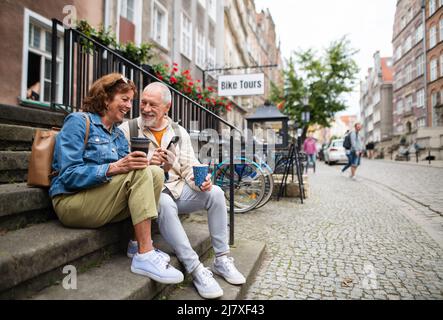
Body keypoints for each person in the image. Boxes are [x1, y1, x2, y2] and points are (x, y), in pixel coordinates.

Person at [49, 73, 184, 285]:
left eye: (131, 100)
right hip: (71, 201)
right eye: (125, 99)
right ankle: (145, 254)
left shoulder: (119, 135)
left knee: (155, 172)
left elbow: (130, 176)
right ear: (105, 99)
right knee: (142, 172)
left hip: (100, 199)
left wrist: (154, 163)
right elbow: (68, 175)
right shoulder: (78, 122)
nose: (130, 106)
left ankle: (135, 243)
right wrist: (114, 167)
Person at [119, 82, 246, 299]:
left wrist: (202, 181)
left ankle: (222, 259)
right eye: (144, 103)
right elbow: (122, 167)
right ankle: (195, 269)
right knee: (165, 202)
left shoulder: (178, 131)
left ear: (166, 108)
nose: (146, 108)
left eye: (153, 104)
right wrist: (151, 162)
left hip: (177, 190)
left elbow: (190, 166)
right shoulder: (127, 129)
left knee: (215, 192)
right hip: (150, 196)